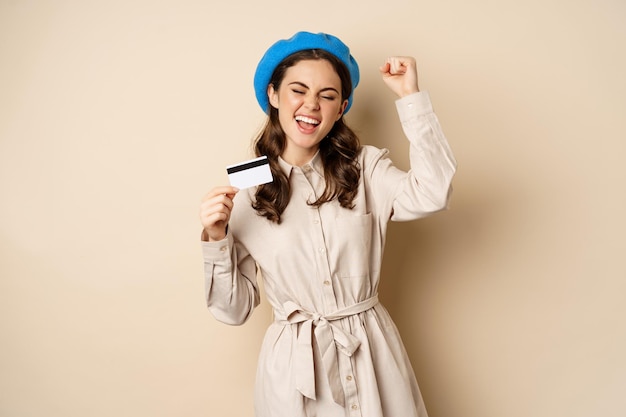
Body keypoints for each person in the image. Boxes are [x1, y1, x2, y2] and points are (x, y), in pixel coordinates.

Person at [200, 31, 456, 417]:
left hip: (372, 358)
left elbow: (434, 191)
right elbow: (232, 310)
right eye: (298, 90)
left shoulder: (365, 167)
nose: (311, 106)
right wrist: (215, 239)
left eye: (328, 95)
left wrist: (411, 98)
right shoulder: (247, 186)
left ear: (342, 108)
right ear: (273, 96)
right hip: (294, 376)